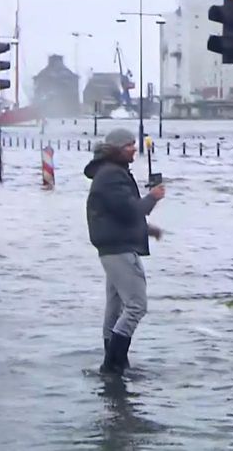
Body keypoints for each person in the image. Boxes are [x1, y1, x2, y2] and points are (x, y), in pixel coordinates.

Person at [84, 128, 165, 375]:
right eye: (130, 145)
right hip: (118, 250)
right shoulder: (111, 176)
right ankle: (112, 363)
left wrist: (147, 230)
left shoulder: (111, 173)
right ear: (118, 148)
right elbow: (131, 210)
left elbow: (118, 214)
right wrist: (153, 197)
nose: (134, 149)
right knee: (137, 305)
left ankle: (116, 362)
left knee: (116, 305)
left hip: (112, 247)